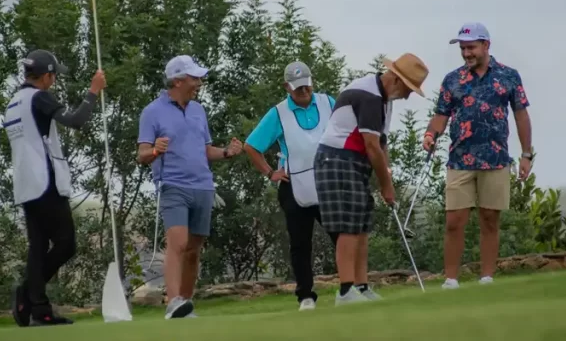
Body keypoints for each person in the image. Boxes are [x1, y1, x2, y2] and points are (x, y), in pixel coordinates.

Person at [423, 23, 533, 289]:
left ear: (486, 45)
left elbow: (521, 115)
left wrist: (526, 154)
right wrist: (430, 134)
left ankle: (487, 278)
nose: (466, 53)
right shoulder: (452, 79)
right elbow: (441, 116)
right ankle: (451, 280)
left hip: (496, 159)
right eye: (462, 48)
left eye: (470, 47)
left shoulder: (508, 76)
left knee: (490, 220)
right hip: (460, 159)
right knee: (454, 221)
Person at [314, 53, 429, 305]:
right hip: (336, 158)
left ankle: (361, 286)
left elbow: (382, 144)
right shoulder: (369, 95)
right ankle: (345, 291)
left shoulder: (384, 100)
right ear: (396, 80)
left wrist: (387, 177)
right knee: (348, 225)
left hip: (354, 161)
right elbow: (371, 146)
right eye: (408, 89)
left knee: (361, 224)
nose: (408, 96)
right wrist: (386, 186)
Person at [4, 49, 106, 327]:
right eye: (54, 75)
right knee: (66, 244)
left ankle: (38, 307)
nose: (55, 80)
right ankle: (28, 294)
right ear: (46, 76)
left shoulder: (14, 102)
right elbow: (76, 121)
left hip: (25, 183)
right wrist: (93, 92)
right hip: (45, 182)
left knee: (38, 247)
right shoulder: (39, 97)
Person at [137, 55, 242, 319]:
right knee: (179, 243)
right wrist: (154, 150)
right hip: (173, 185)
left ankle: (184, 304)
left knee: (194, 250)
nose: (199, 83)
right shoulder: (152, 112)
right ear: (178, 81)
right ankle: (173, 303)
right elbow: (142, 154)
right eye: (194, 78)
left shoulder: (198, 111)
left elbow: (206, 151)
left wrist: (227, 152)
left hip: (203, 186)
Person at [244, 61, 338, 311]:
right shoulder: (278, 113)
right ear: (287, 87)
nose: (304, 91)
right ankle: (305, 296)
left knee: (342, 235)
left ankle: (351, 286)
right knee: (300, 243)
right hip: (293, 184)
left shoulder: (328, 102)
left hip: (328, 182)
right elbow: (251, 146)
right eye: (298, 88)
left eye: (307, 85)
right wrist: (269, 172)